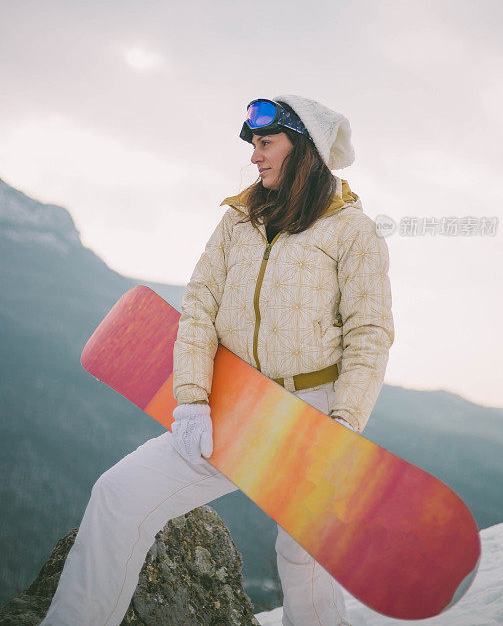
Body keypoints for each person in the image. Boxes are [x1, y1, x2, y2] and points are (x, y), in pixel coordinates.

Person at [41, 94, 394, 626]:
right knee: (118, 494)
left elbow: (370, 335)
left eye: (266, 142)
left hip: (311, 410)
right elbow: (199, 307)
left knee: (304, 557)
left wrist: (343, 424)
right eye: (253, 144)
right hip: (235, 402)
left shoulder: (352, 231)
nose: (254, 156)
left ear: (304, 149)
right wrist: (192, 401)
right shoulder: (239, 220)